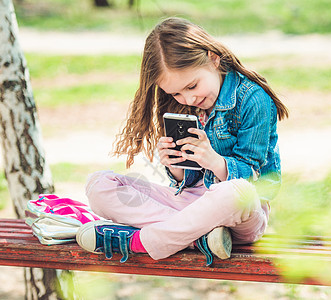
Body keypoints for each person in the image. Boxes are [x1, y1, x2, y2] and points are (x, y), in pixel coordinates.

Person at [76, 17, 288, 266]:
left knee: (234, 192)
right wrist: (176, 166)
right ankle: (199, 238)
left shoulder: (253, 99)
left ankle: (142, 242)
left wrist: (215, 162)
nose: (187, 98)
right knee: (99, 185)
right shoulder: (187, 103)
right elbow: (187, 183)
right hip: (192, 207)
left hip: (240, 211)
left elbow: (259, 184)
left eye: (192, 86)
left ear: (213, 58)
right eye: (176, 93)